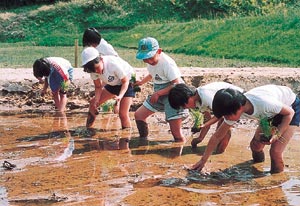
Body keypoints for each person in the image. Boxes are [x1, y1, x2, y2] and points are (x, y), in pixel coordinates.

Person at [192, 84, 300, 174]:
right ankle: (257, 170)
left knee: (275, 151)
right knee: (255, 146)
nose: (226, 119)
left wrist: (277, 134)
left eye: (227, 116)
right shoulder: (233, 110)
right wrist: (203, 160)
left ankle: (276, 183)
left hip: (290, 107)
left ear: (240, 108)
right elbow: (216, 136)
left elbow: (289, 113)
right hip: (267, 115)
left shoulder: (264, 103)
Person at [134, 37, 189, 142]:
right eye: (145, 58)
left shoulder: (167, 63)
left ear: (159, 51)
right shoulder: (150, 62)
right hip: (159, 92)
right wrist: (141, 82)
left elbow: (177, 84)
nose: (148, 61)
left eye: (150, 57)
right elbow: (152, 74)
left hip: (174, 95)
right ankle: (143, 140)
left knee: (176, 132)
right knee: (139, 115)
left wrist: (158, 93)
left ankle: (179, 150)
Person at [168, 82, 244, 152]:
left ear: (188, 97)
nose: (186, 108)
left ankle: (220, 152)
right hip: (227, 107)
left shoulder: (206, 96)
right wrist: (200, 138)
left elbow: (219, 115)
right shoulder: (197, 102)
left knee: (222, 126)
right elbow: (207, 119)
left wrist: (205, 125)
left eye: (184, 106)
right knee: (222, 126)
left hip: (239, 100)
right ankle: (219, 151)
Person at [81, 47, 135, 129]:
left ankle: (127, 136)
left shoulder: (112, 64)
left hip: (128, 82)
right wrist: (96, 101)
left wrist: (120, 96)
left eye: (97, 68)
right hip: (113, 83)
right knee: (92, 104)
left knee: (123, 114)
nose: (97, 72)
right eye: (93, 71)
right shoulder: (93, 71)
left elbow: (125, 81)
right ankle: (88, 129)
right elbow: (98, 86)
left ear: (101, 59)